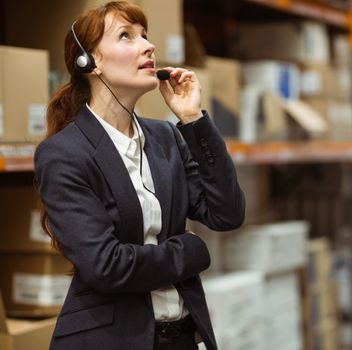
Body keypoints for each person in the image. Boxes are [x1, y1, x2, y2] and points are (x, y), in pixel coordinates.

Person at [34, 2, 245, 350]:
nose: (148, 46)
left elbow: (227, 213)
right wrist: (189, 251)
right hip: (112, 340)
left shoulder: (166, 137)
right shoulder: (64, 154)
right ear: (91, 62)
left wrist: (193, 121)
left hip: (183, 337)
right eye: (126, 36)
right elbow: (106, 265)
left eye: (145, 36)